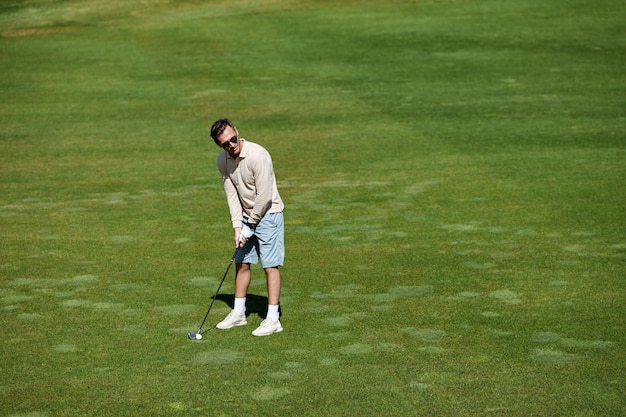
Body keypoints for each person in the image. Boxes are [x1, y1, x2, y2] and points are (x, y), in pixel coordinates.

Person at [210, 118, 285, 336]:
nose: (231, 145)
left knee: (270, 266)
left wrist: (250, 225)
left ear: (237, 133)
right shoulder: (223, 161)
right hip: (245, 217)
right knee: (241, 262)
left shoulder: (258, 155)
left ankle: (272, 319)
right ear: (219, 145)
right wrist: (237, 227)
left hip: (269, 214)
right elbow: (232, 195)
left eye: (233, 139)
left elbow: (264, 196)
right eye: (225, 144)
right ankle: (239, 313)